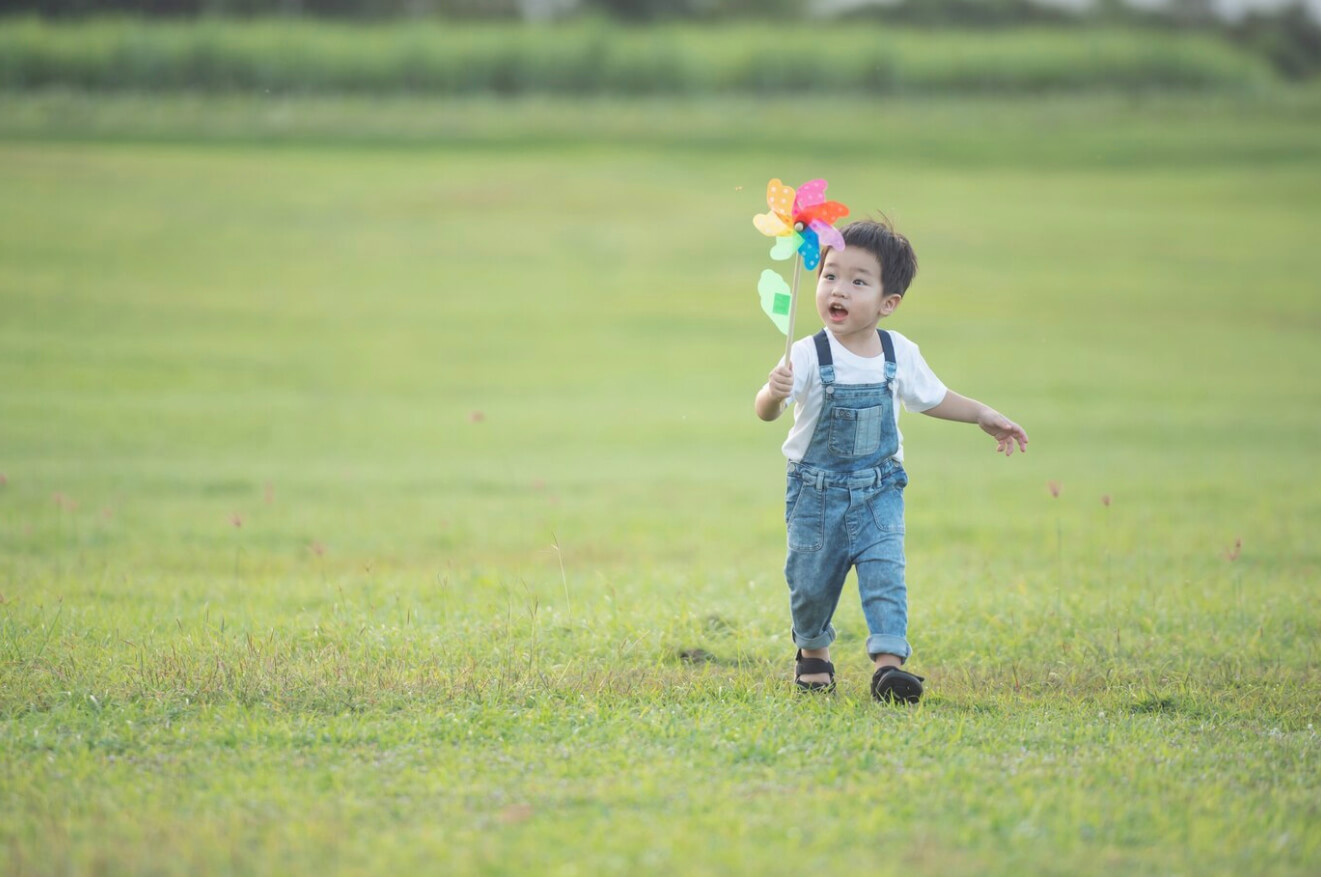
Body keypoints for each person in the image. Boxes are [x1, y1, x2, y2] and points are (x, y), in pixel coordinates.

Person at [754, 219, 1028, 703]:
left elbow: (934, 396)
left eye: (858, 281)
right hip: (816, 494)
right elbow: (766, 412)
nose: (839, 289)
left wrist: (982, 414)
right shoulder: (806, 354)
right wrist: (774, 393)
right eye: (830, 276)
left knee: (886, 575)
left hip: (879, 490)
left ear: (888, 302)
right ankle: (813, 654)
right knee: (810, 582)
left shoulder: (897, 351)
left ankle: (889, 667)